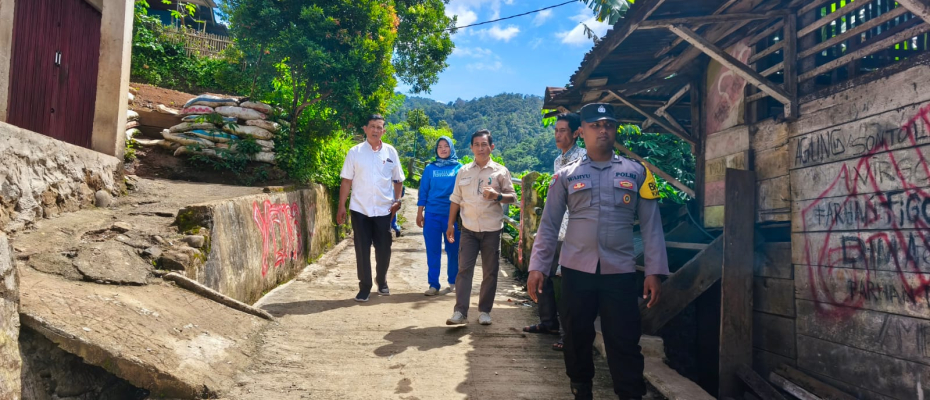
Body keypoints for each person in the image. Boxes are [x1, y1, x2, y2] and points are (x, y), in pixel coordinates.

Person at [527, 103, 669, 400]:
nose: (603, 130)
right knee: (576, 337)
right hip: (576, 271)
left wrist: (654, 272)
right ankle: (581, 389)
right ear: (582, 132)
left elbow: (652, 227)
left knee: (624, 340)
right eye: (595, 125)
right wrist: (537, 267)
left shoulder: (638, 172)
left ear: (615, 129)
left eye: (608, 125)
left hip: (620, 272)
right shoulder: (565, 176)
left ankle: (630, 394)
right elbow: (549, 225)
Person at [523, 112, 586, 352]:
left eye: (562, 131)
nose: (558, 135)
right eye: (556, 131)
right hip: (557, 228)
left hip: (574, 231)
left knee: (567, 285)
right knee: (544, 275)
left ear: (576, 133)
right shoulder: (558, 160)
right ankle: (548, 323)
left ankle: (568, 334)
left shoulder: (583, 158)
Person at [445, 130, 516, 326]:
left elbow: (513, 197)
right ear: (471, 147)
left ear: (491, 147)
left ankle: (484, 311)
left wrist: (497, 196)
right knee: (464, 270)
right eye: (476, 144)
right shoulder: (464, 171)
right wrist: (450, 224)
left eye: (484, 144)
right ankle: (460, 312)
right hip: (468, 229)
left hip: (492, 230)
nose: (480, 148)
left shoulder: (501, 171)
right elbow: (456, 199)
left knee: (490, 272)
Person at [337, 114, 405, 302]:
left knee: (384, 248)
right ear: (365, 129)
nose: (376, 130)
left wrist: (397, 200)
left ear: (384, 131)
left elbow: (398, 179)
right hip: (360, 209)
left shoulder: (390, 152)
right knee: (362, 249)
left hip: (384, 210)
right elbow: (346, 181)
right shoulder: (355, 152)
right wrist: (341, 206)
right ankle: (365, 286)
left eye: (379, 127)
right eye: (372, 126)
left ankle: (381, 280)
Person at [416, 136, 462, 296]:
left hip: (452, 216)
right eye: (440, 146)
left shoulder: (459, 168)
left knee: (453, 250)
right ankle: (433, 284)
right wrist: (420, 213)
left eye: (446, 146)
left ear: (451, 148)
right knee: (432, 250)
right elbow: (423, 191)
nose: (443, 149)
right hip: (432, 215)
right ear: (436, 150)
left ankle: (453, 281)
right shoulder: (430, 168)